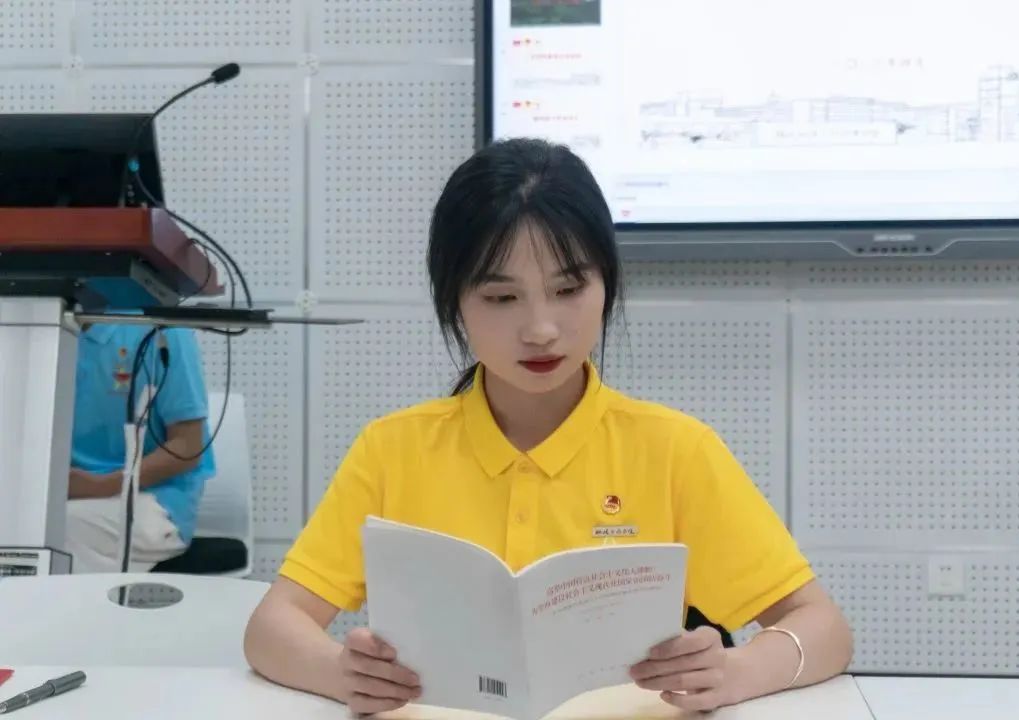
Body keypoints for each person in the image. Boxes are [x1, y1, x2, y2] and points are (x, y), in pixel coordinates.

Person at [244, 138, 853, 714]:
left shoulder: (675, 451)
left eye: (568, 288)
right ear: (454, 301)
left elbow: (824, 628)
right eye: (501, 298)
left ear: (606, 284)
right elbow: (271, 627)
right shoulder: (393, 449)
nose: (541, 329)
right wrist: (340, 672)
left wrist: (733, 672)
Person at [65, 324, 215, 573]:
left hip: (153, 500)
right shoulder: (40, 329)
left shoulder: (165, 331)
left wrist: (101, 485)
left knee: (59, 526)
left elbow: (187, 447)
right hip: (65, 496)